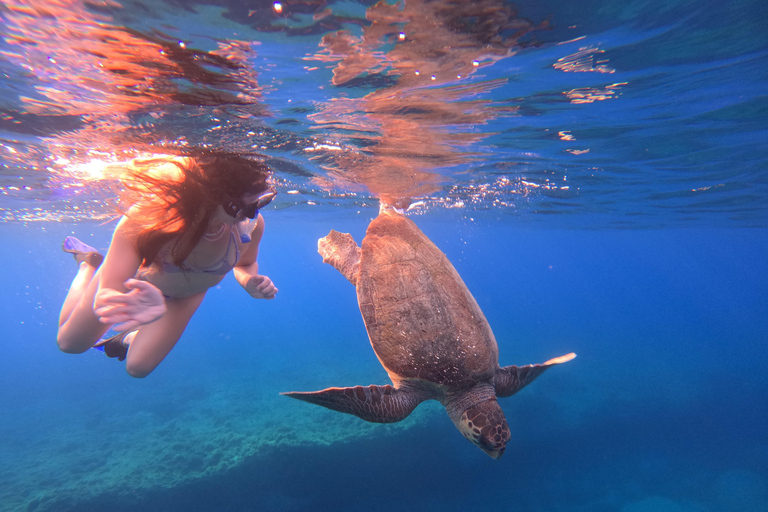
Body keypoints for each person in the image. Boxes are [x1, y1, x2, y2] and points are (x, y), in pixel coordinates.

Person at [56, 151, 278, 378]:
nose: (250, 214)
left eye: (262, 201)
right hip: (134, 283)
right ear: (209, 195)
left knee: (138, 368)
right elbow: (109, 292)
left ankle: (129, 338)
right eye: (240, 207)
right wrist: (129, 302)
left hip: (184, 298)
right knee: (69, 344)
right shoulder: (149, 217)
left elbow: (244, 265)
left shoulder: (251, 224)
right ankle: (88, 264)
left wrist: (250, 282)